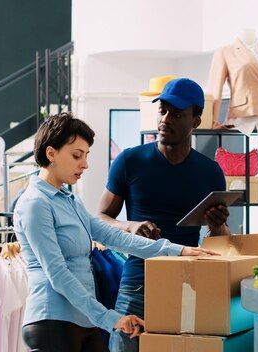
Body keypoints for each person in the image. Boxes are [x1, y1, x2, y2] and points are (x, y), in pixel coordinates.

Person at [13, 112, 216, 352]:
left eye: (86, 156)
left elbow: (116, 237)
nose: (85, 164)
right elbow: (57, 273)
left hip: (84, 320)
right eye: (77, 155)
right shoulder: (35, 204)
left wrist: (176, 250)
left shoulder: (70, 201)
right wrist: (111, 318)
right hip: (52, 321)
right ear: (51, 153)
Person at [97, 78, 231, 352]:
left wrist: (217, 228)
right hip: (137, 284)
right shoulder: (129, 161)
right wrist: (130, 225)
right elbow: (99, 219)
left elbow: (220, 239)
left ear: (196, 121)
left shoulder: (211, 172)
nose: (166, 119)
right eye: (163, 110)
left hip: (188, 284)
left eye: (177, 114)